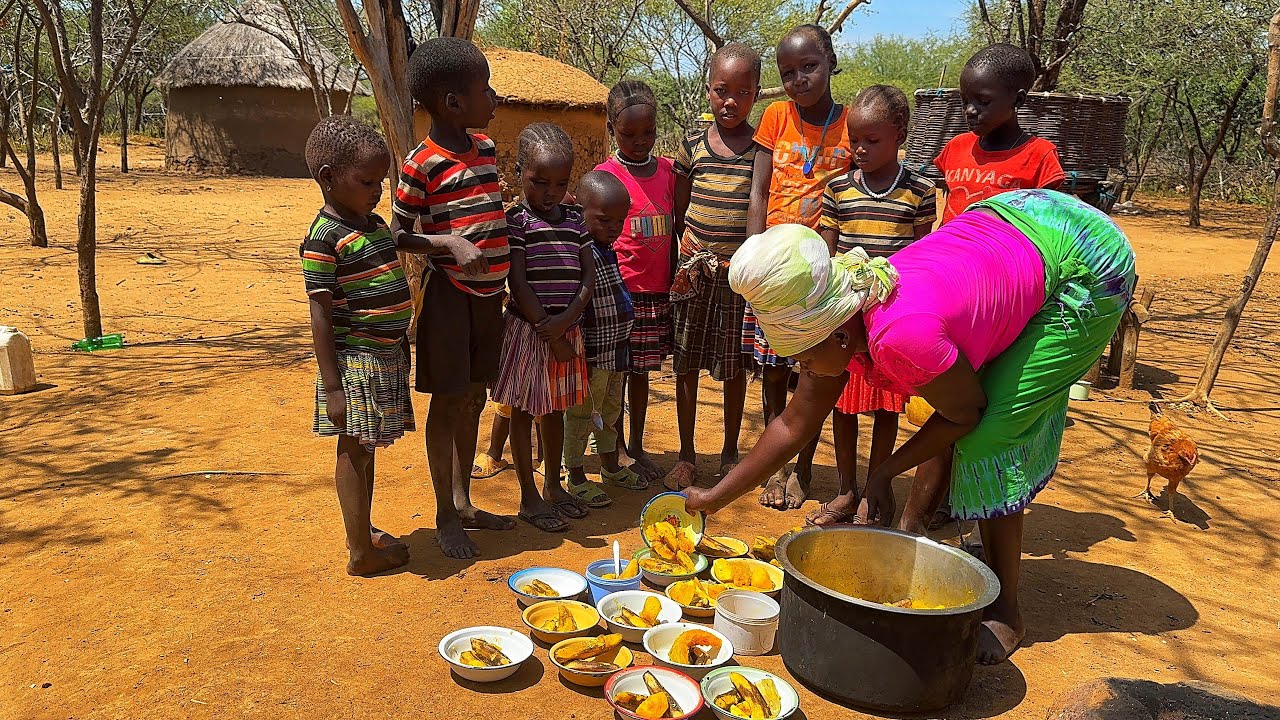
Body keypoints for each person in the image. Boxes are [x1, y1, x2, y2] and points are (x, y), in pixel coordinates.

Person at [686, 189, 1136, 665]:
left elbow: (966, 414)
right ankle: (959, 538)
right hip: (1016, 222)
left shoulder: (901, 336)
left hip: (1085, 260)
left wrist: (883, 472)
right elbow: (794, 424)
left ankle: (1006, 610)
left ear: (837, 333)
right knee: (961, 389)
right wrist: (712, 499)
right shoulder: (850, 307)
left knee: (990, 435)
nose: (801, 365)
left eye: (802, 353)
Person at [391, 37, 512, 560]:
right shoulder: (421, 163)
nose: (495, 98)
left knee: (475, 397)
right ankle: (444, 512)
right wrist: (447, 242)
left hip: (491, 299)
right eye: (485, 89)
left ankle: (464, 502)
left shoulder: (483, 149)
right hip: (449, 298)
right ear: (452, 102)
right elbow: (395, 234)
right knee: (448, 403)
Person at [808, 85, 937, 526]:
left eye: (872, 140)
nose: (860, 149)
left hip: (892, 319)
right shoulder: (838, 190)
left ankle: (874, 491)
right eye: (854, 139)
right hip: (847, 316)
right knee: (842, 405)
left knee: (886, 407)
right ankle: (846, 490)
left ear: (899, 134)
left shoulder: (918, 191)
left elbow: (920, 255)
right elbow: (826, 256)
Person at [745, 24, 854, 509]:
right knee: (771, 374)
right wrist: (753, 256)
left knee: (813, 375)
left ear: (830, 61)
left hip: (820, 274)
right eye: (788, 73)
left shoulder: (854, 123)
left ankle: (804, 468)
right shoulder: (775, 117)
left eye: (808, 67)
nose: (798, 79)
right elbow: (759, 190)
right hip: (774, 270)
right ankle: (779, 466)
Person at [300, 115, 413, 576]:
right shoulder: (323, 239)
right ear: (329, 179)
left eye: (381, 181)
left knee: (366, 449)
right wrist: (333, 387)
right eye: (367, 181)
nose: (378, 190)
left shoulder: (372, 223)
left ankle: (363, 531)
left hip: (384, 356)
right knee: (354, 449)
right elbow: (321, 315)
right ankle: (359, 551)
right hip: (356, 363)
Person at [492, 122, 597, 530]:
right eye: (539, 182)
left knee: (554, 411)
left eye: (559, 183)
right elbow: (516, 281)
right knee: (521, 411)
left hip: (565, 332)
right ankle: (528, 496)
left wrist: (565, 324)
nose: (550, 192)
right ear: (518, 173)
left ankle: (553, 484)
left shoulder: (575, 219)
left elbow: (588, 277)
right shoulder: (516, 221)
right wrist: (546, 329)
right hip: (527, 332)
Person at [668, 42, 762, 491]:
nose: (730, 101)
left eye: (742, 92)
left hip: (735, 275)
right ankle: (686, 453)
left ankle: (728, 451)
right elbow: (679, 208)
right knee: (685, 363)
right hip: (693, 271)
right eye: (721, 90)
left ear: (756, 94)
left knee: (732, 366)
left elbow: (756, 206)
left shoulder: (761, 149)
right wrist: (683, 260)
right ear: (708, 90)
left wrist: (745, 265)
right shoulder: (691, 147)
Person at [595, 80, 676, 484]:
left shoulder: (667, 172)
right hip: (618, 292)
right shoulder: (605, 175)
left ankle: (638, 443)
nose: (639, 141)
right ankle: (615, 445)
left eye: (648, 132)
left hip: (656, 292)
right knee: (614, 374)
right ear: (612, 130)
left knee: (642, 372)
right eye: (628, 134)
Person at [563, 171, 647, 498]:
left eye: (620, 220)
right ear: (580, 214)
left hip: (616, 354)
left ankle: (611, 467)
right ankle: (575, 474)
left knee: (611, 414)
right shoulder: (582, 252)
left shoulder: (607, 249)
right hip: (593, 356)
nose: (614, 227)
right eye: (603, 219)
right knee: (582, 415)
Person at [935, 43, 1065, 224]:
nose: (970, 110)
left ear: (1018, 100)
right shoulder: (956, 147)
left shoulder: (1040, 155)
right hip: (948, 249)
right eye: (965, 101)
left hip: (1004, 251)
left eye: (983, 101)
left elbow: (1048, 219)